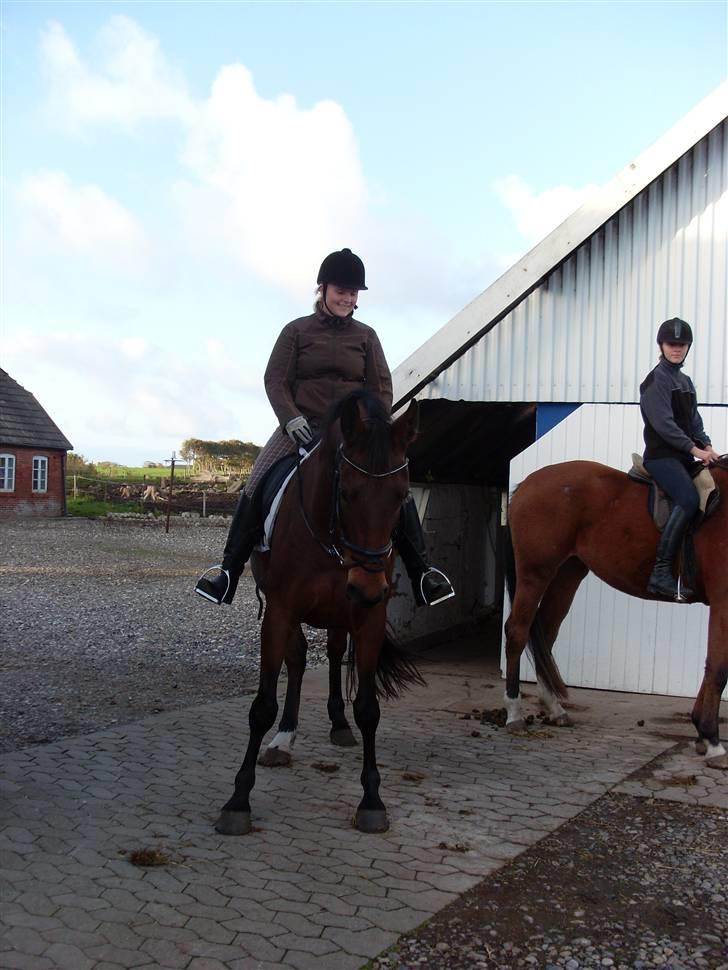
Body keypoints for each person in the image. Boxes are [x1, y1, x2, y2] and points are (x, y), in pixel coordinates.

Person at [194, 247, 455, 608]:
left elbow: (380, 388)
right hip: (300, 426)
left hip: (352, 432)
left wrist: (369, 426)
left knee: (394, 487)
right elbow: (275, 380)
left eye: (353, 293)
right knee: (256, 481)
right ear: (323, 289)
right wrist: (291, 417)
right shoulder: (296, 331)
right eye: (341, 291)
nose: (347, 299)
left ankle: (423, 572)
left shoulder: (367, 337)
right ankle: (226, 572)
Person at [639, 317, 720, 599]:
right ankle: (660, 571)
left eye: (682, 344)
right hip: (661, 457)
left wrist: (708, 446)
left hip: (684, 456)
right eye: (672, 344)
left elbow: (694, 420)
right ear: (661, 346)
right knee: (687, 498)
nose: (677, 349)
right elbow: (664, 425)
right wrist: (694, 450)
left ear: (688, 348)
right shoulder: (655, 381)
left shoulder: (685, 381)